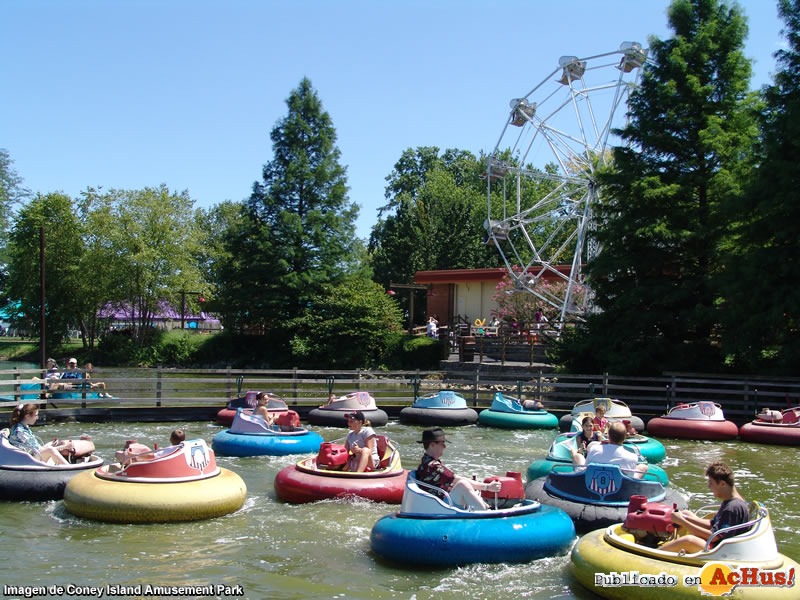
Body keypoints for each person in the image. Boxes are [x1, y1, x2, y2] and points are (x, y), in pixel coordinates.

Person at [659, 461, 750, 554]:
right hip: (718, 543)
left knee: (688, 540)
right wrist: (684, 517)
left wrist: (682, 522)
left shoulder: (732, 508)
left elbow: (714, 537)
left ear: (723, 484)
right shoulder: (731, 501)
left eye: (711, 483)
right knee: (686, 513)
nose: (709, 486)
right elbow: (712, 524)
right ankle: (671, 543)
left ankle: (654, 554)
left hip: (718, 550)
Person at [415, 427, 502, 510]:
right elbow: (455, 479)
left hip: (439, 501)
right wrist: (487, 487)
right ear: (432, 445)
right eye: (442, 444)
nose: (444, 447)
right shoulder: (433, 466)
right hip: (440, 506)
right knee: (463, 485)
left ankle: (485, 507)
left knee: (467, 485)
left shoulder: (427, 462)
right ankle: (486, 513)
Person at [570, 421, 648, 479]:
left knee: (578, 456)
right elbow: (631, 476)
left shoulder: (594, 449)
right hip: (622, 485)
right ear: (624, 438)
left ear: (609, 436)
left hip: (593, 481)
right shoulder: (632, 457)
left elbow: (585, 468)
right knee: (643, 467)